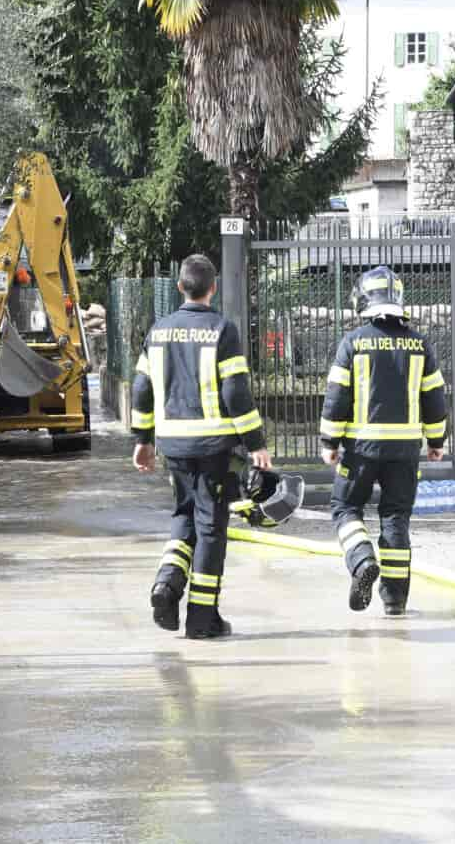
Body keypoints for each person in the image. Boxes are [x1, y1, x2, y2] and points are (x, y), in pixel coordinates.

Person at [130, 254, 273, 639]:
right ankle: (202, 617)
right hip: (214, 448)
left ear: (180, 287)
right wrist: (256, 443)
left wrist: (143, 440)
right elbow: (235, 391)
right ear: (213, 288)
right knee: (211, 528)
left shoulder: (158, 330)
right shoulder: (222, 330)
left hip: (173, 445)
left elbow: (141, 388)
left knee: (184, 514)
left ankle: (167, 582)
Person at [320, 266, 448, 616]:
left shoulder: (353, 342)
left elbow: (336, 396)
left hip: (360, 448)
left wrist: (329, 441)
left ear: (364, 299)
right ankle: (395, 599)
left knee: (344, 507)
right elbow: (434, 398)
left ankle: (361, 561)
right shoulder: (419, 344)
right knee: (395, 518)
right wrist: (436, 439)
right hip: (405, 451)